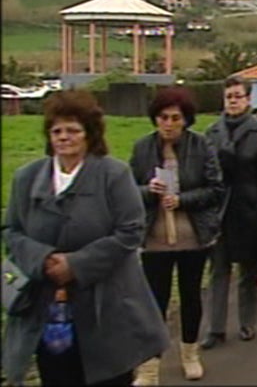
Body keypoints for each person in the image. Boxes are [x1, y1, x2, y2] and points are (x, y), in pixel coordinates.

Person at [3, 90, 170, 386]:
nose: (63, 137)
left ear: (89, 135)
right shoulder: (26, 178)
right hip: (48, 306)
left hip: (107, 306)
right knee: (57, 375)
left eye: (72, 130)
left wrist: (76, 264)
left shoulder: (114, 174)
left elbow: (131, 231)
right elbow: (12, 231)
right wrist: (44, 260)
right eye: (57, 131)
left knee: (108, 377)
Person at [129, 87, 225, 384]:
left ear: (186, 120)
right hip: (154, 237)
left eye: (175, 118)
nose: (168, 124)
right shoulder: (142, 148)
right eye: (162, 117)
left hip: (192, 236)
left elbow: (215, 189)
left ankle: (190, 354)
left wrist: (183, 199)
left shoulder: (201, 146)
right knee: (154, 300)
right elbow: (127, 190)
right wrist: (149, 191)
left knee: (190, 296)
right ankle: (149, 365)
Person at [200, 76, 257, 349]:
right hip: (220, 208)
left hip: (250, 208)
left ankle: (247, 322)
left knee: (248, 269)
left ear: (248, 99)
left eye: (238, 96)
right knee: (218, 269)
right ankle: (215, 328)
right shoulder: (211, 132)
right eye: (229, 96)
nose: (233, 101)